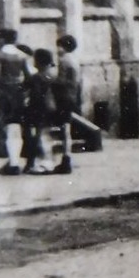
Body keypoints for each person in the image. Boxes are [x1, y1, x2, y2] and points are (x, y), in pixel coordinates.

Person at [0, 29, 32, 175]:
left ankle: (13, 162)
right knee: (16, 127)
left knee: (7, 128)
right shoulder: (22, 56)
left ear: (2, 40)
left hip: (4, 94)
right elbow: (28, 77)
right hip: (18, 94)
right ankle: (14, 161)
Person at [20, 48, 60, 175]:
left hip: (37, 109)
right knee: (44, 135)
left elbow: (28, 90)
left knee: (36, 136)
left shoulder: (36, 77)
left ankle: (39, 163)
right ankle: (47, 162)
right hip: (51, 108)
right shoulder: (53, 75)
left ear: (39, 62)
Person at [53, 34, 84, 175]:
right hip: (71, 97)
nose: (58, 49)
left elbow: (62, 81)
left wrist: (50, 79)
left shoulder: (64, 61)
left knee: (64, 129)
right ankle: (66, 158)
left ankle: (66, 160)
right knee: (66, 128)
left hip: (63, 97)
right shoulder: (74, 60)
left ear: (64, 47)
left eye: (59, 46)